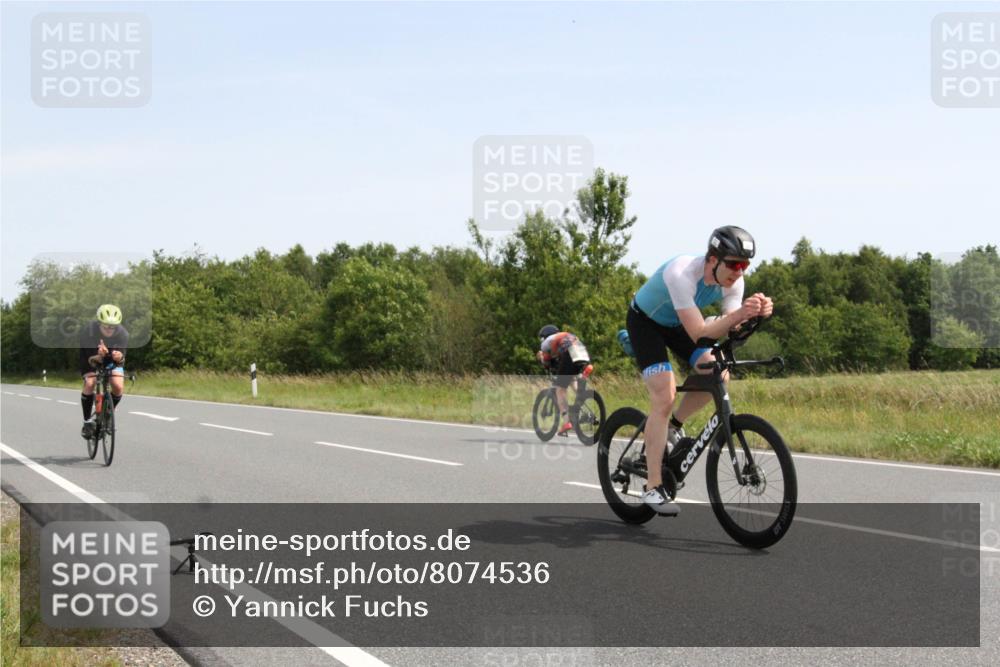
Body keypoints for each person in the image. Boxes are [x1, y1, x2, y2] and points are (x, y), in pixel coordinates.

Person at [626, 226, 773, 515]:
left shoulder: (733, 281)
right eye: (734, 264)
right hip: (646, 324)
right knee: (664, 396)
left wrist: (754, 314)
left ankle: (673, 426)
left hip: (677, 324)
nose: (739, 271)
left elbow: (731, 324)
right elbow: (700, 333)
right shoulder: (681, 273)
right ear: (713, 259)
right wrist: (739, 314)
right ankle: (652, 486)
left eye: (744, 265)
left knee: (718, 373)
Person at [79, 304, 129, 439]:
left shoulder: (123, 334)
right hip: (90, 358)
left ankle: (108, 413)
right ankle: (87, 421)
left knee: (118, 385)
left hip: (111, 360)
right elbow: (91, 359)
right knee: (90, 383)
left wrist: (119, 356)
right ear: (99, 323)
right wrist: (99, 355)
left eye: (113, 327)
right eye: (106, 326)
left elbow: (122, 359)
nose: (109, 330)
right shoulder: (88, 332)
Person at [536, 325, 590, 437]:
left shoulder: (546, 342)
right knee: (572, 379)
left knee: (560, 390)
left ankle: (566, 423)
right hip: (581, 351)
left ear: (544, 336)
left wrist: (541, 357)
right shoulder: (563, 336)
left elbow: (546, 362)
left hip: (568, 353)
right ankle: (585, 409)